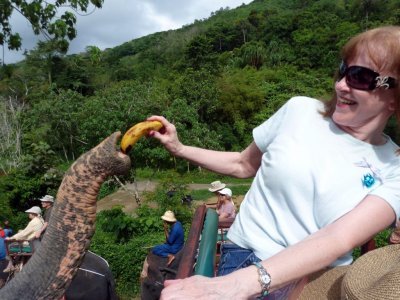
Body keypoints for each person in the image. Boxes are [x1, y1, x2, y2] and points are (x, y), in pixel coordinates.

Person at [148, 25, 400, 299]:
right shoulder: (300, 111)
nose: (341, 85)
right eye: (343, 70)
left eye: (360, 77)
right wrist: (179, 148)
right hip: (246, 258)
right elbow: (242, 164)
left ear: (394, 99)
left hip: (319, 282)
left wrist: (238, 285)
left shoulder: (394, 167)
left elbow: (339, 238)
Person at [3, 206, 44, 272]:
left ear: (33, 213)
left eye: (30, 213)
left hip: (30, 245)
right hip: (33, 242)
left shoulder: (34, 222)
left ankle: (11, 265)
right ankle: (12, 265)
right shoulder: (40, 220)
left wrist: (11, 238)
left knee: (9, 246)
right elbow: (28, 231)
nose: (29, 214)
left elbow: (24, 233)